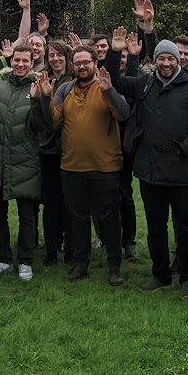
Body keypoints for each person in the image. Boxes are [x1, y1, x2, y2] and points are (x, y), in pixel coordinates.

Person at [115, 32, 188, 297]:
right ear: (156, 60)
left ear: (178, 61)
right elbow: (115, 81)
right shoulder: (145, 84)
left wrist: (186, 147)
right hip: (150, 171)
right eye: (162, 58)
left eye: (171, 58)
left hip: (183, 172)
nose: (167, 63)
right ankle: (160, 275)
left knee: (184, 227)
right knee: (155, 227)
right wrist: (116, 53)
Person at [38, 43, 131, 285]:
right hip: (72, 167)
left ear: (94, 63)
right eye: (77, 63)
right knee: (77, 219)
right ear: (73, 65)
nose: (81, 67)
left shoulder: (105, 87)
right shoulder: (65, 89)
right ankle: (80, 264)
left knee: (108, 219)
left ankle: (114, 266)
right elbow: (51, 119)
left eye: (85, 63)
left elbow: (123, 114)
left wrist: (110, 91)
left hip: (106, 167)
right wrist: (46, 96)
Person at [0, 42, 52, 280]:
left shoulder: (37, 88)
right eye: (17, 60)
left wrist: (38, 100)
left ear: (32, 63)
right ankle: (3, 258)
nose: (20, 64)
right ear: (11, 62)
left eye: (25, 61)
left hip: (25, 161)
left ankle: (25, 260)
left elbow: (41, 125)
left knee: (27, 216)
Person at [38, 40, 73, 266]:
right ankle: (51, 250)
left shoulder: (73, 81)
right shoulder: (43, 79)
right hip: (47, 150)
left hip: (69, 150)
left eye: (59, 55)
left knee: (69, 204)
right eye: (52, 55)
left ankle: (71, 249)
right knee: (50, 204)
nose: (55, 59)